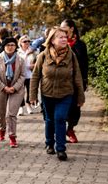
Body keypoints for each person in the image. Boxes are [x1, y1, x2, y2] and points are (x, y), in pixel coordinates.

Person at [30, 26, 85, 161]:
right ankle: (49, 143)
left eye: (65, 37)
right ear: (52, 40)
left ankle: (61, 149)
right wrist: (32, 96)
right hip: (47, 94)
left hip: (66, 93)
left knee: (60, 119)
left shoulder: (71, 55)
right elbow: (35, 76)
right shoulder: (43, 55)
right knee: (49, 119)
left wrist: (80, 96)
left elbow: (77, 76)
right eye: (60, 37)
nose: (64, 39)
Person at [0, 37, 25, 147]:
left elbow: (23, 75)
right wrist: (4, 87)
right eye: (8, 45)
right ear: (4, 47)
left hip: (16, 90)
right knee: (1, 113)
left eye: (13, 45)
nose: (10, 47)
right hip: (1, 89)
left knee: (11, 114)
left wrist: (14, 87)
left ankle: (12, 137)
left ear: (16, 47)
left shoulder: (20, 59)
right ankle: (2, 130)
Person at [61, 19, 89, 143]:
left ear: (71, 28)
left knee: (76, 107)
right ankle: (60, 132)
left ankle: (70, 129)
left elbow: (85, 64)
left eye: (64, 28)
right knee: (62, 107)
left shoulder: (80, 45)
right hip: (62, 81)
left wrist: (84, 80)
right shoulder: (60, 43)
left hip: (77, 81)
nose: (62, 31)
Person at [17, 35, 37, 115]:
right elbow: (18, 63)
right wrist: (26, 55)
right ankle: (21, 107)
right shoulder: (17, 52)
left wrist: (34, 65)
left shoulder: (34, 51)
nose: (27, 43)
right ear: (20, 43)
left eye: (29, 41)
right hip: (20, 75)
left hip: (31, 75)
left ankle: (29, 106)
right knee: (20, 92)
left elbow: (37, 62)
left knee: (30, 92)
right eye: (25, 41)